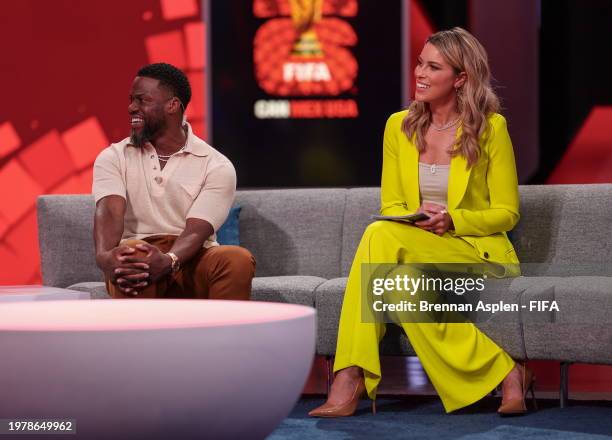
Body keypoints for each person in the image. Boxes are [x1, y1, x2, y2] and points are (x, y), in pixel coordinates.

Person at [309, 27, 534, 417]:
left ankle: (349, 376)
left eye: (434, 67)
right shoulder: (399, 126)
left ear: (461, 78)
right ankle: (507, 371)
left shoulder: (490, 128)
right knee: (399, 284)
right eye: (419, 63)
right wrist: (415, 221)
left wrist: (452, 220)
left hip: (475, 251)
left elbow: (507, 212)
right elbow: (393, 203)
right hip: (414, 244)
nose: (420, 73)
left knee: (379, 236)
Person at [93, 62, 255, 300]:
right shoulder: (113, 157)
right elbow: (109, 214)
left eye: (142, 100)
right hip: (138, 253)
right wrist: (104, 257)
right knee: (134, 256)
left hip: (192, 259)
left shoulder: (217, 165)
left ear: (172, 105)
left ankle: (223, 338)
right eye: (131, 100)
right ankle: (142, 337)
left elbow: (196, 231)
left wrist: (170, 260)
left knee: (237, 259)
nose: (131, 108)